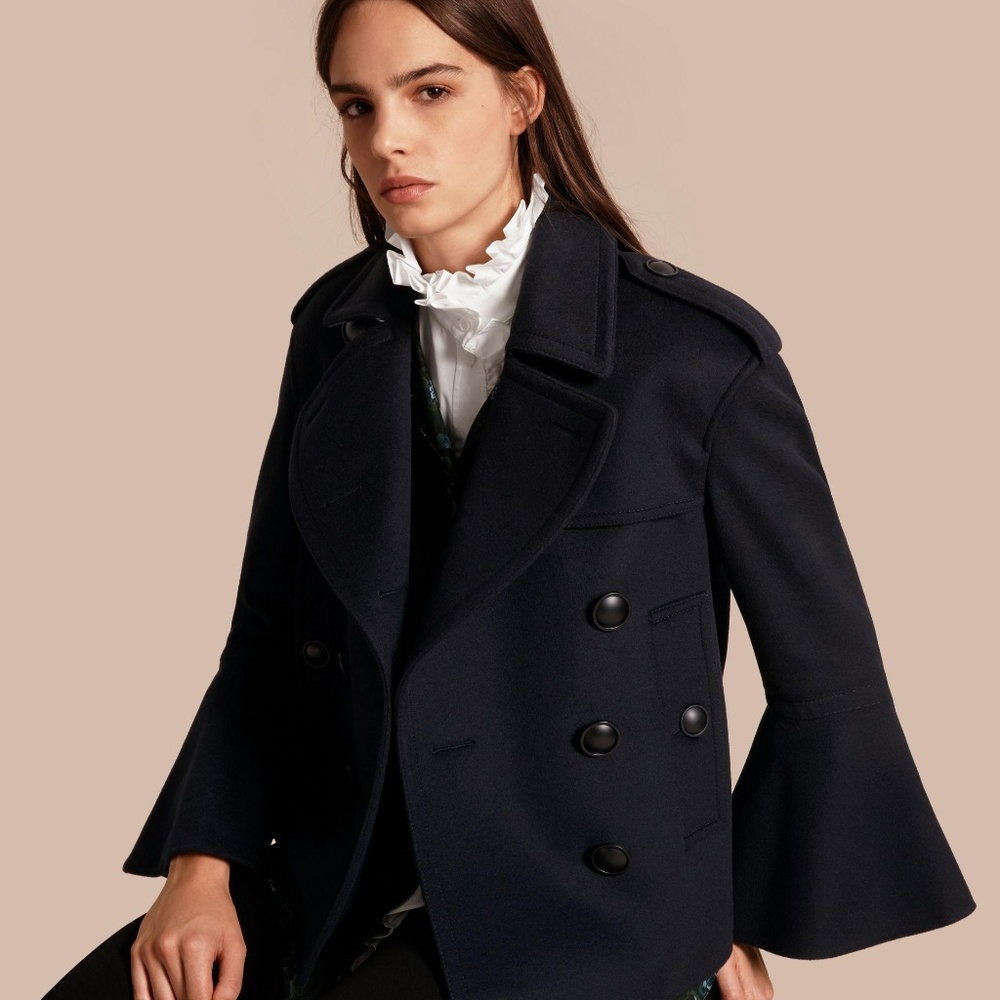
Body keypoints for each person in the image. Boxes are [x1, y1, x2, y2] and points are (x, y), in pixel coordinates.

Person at [41, 1, 977, 999]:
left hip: (579, 901)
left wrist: (714, 918)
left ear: (522, 98)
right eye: (357, 106)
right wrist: (202, 866)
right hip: (346, 865)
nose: (387, 138)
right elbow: (269, 632)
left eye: (430, 91)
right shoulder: (334, 334)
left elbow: (825, 673)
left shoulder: (692, 356)